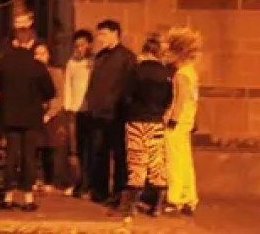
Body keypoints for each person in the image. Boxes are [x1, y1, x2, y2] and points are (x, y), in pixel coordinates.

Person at [0, 25, 55, 211]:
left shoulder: (3, 63)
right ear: (32, 43)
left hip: (9, 115)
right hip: (32, 116)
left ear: (14, 42)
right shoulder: (37, 66)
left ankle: (8, 196)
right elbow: (50, 91)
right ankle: (27, 197)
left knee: (11, 155)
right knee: (28, 157)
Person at [121, 33, 173, 217]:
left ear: (145, 51)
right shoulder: (166, 74)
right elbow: (169, 99)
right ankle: (157, 205)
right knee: (156, 161)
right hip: (156, 121)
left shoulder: (136, 71)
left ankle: (131, 206)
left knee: (137, 160)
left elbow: (126, 95)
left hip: (137, 119)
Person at [84, 19, 135, 205]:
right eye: (99, 35)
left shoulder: (127, 57)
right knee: (99, 153)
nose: (100, 38)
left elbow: (128, 87)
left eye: (103, 34)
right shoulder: (100, 56)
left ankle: (119, 191)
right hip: (98, 113)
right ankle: (99, 190)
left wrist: (123, 108)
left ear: (115, 33)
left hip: (116, 114)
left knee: (119, 155)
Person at [163, 26, 202, 217]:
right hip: (186, 122)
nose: (166, 54)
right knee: (185, 160)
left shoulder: (181, 75)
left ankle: (175, 198)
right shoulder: (190, 72)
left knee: (174, 160)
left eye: (169, 50)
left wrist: (172, 120)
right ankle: (189, 197)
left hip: (177, 124)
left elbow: (180, 100)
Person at [32, 42, 68, 192]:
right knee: (33, 149)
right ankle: (33, 179)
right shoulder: (30, 72)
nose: (39, 57)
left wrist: (50, 113)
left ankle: (48, 180)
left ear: (48, 55)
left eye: (43, 53)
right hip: (33, 113)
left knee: (49, 149)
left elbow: (59, 95)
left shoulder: (55, 73)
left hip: (51, 115)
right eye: (37, 54)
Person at [63, 29, 95, 197]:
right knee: (77, 150)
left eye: (83, 45)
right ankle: (78, 182)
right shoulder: (72, 63)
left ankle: (89, 184)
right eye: (77, 45)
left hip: (91, 110)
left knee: (91, 149)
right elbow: (68, 84)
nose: (80, 48)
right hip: (76, 110)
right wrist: (68, 107)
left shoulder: (94, 63)